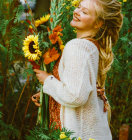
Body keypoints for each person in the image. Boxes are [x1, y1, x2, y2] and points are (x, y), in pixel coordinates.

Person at [32, 0, 123, 139]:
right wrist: (48, 94)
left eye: (85, 12)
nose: (76, 12)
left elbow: (75, 96)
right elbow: (82, 88)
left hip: (77, 133)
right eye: (78, 7)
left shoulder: (77, 47)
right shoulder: (92, 46)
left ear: (98, 23)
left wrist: (47, 80)